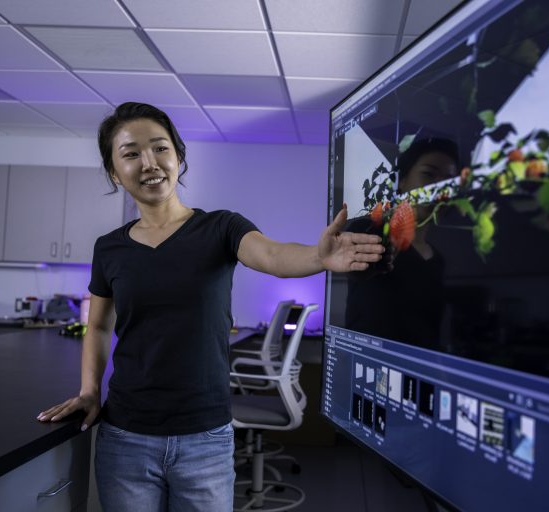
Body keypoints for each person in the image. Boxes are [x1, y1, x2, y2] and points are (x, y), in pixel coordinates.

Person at [36, 102, 384, 512]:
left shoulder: (221, 227)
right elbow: (97, 327)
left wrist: (317, 257)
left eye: (160, 148)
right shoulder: (109, 248)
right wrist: (90, 391)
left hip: (204, 439)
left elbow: (272, 255)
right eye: (131, 153)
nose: (149, 163)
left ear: (178, 156)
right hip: (126, 438)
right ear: (114, 171)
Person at [344, 137, 460, 349]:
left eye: (448, 181)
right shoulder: (369, 232)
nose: (439, 188)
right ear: (403, 180)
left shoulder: (438, 261)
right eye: (428, 174)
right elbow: (359, 269)